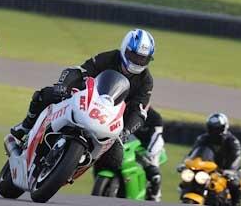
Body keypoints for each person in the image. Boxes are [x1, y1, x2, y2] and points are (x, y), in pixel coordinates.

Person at [10, 28, 155, 173]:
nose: (137, 61)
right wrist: (63, 86)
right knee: (46, 95)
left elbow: (140, 111)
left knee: (115, 160)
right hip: (88, 100)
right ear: (125, 49)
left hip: (112, 119)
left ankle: (75, 166)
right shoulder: (109, 58)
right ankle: (26, 126)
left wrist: (126, 131)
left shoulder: (146, 81)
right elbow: (80, 71)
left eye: (142, 59)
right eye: (134, 56)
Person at [186, 112, 241, 206]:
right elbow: (193, 152)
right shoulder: (203, 139)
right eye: (212, 128)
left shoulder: (232, 141)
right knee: (188, 179)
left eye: (217, 128)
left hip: (225, 169)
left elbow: (236, 157)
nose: (214, 131)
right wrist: (186, 163)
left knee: (234, 183)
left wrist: (230, 170)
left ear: (223, 127)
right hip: (207, 169)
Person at [135, 107, 165, 202]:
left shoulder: (155, 117)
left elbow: (156, 136)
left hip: (149, 149)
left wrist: (149, 152)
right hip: (130, 145)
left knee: (154, 173)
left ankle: (155, 196)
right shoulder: (129, 111)